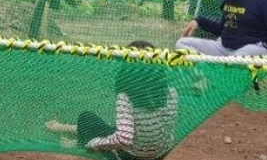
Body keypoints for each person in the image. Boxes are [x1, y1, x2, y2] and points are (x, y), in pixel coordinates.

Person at [46, 41, 178, 159]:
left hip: (129, 156)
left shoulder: (126, 96)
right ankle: (70, 130)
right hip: (159, 155)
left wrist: (93, 144)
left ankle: (79, 142)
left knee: (86, 118)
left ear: (128, 68)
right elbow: (167, 127)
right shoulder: (171, 92)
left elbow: (124, 138)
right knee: (122, 126)